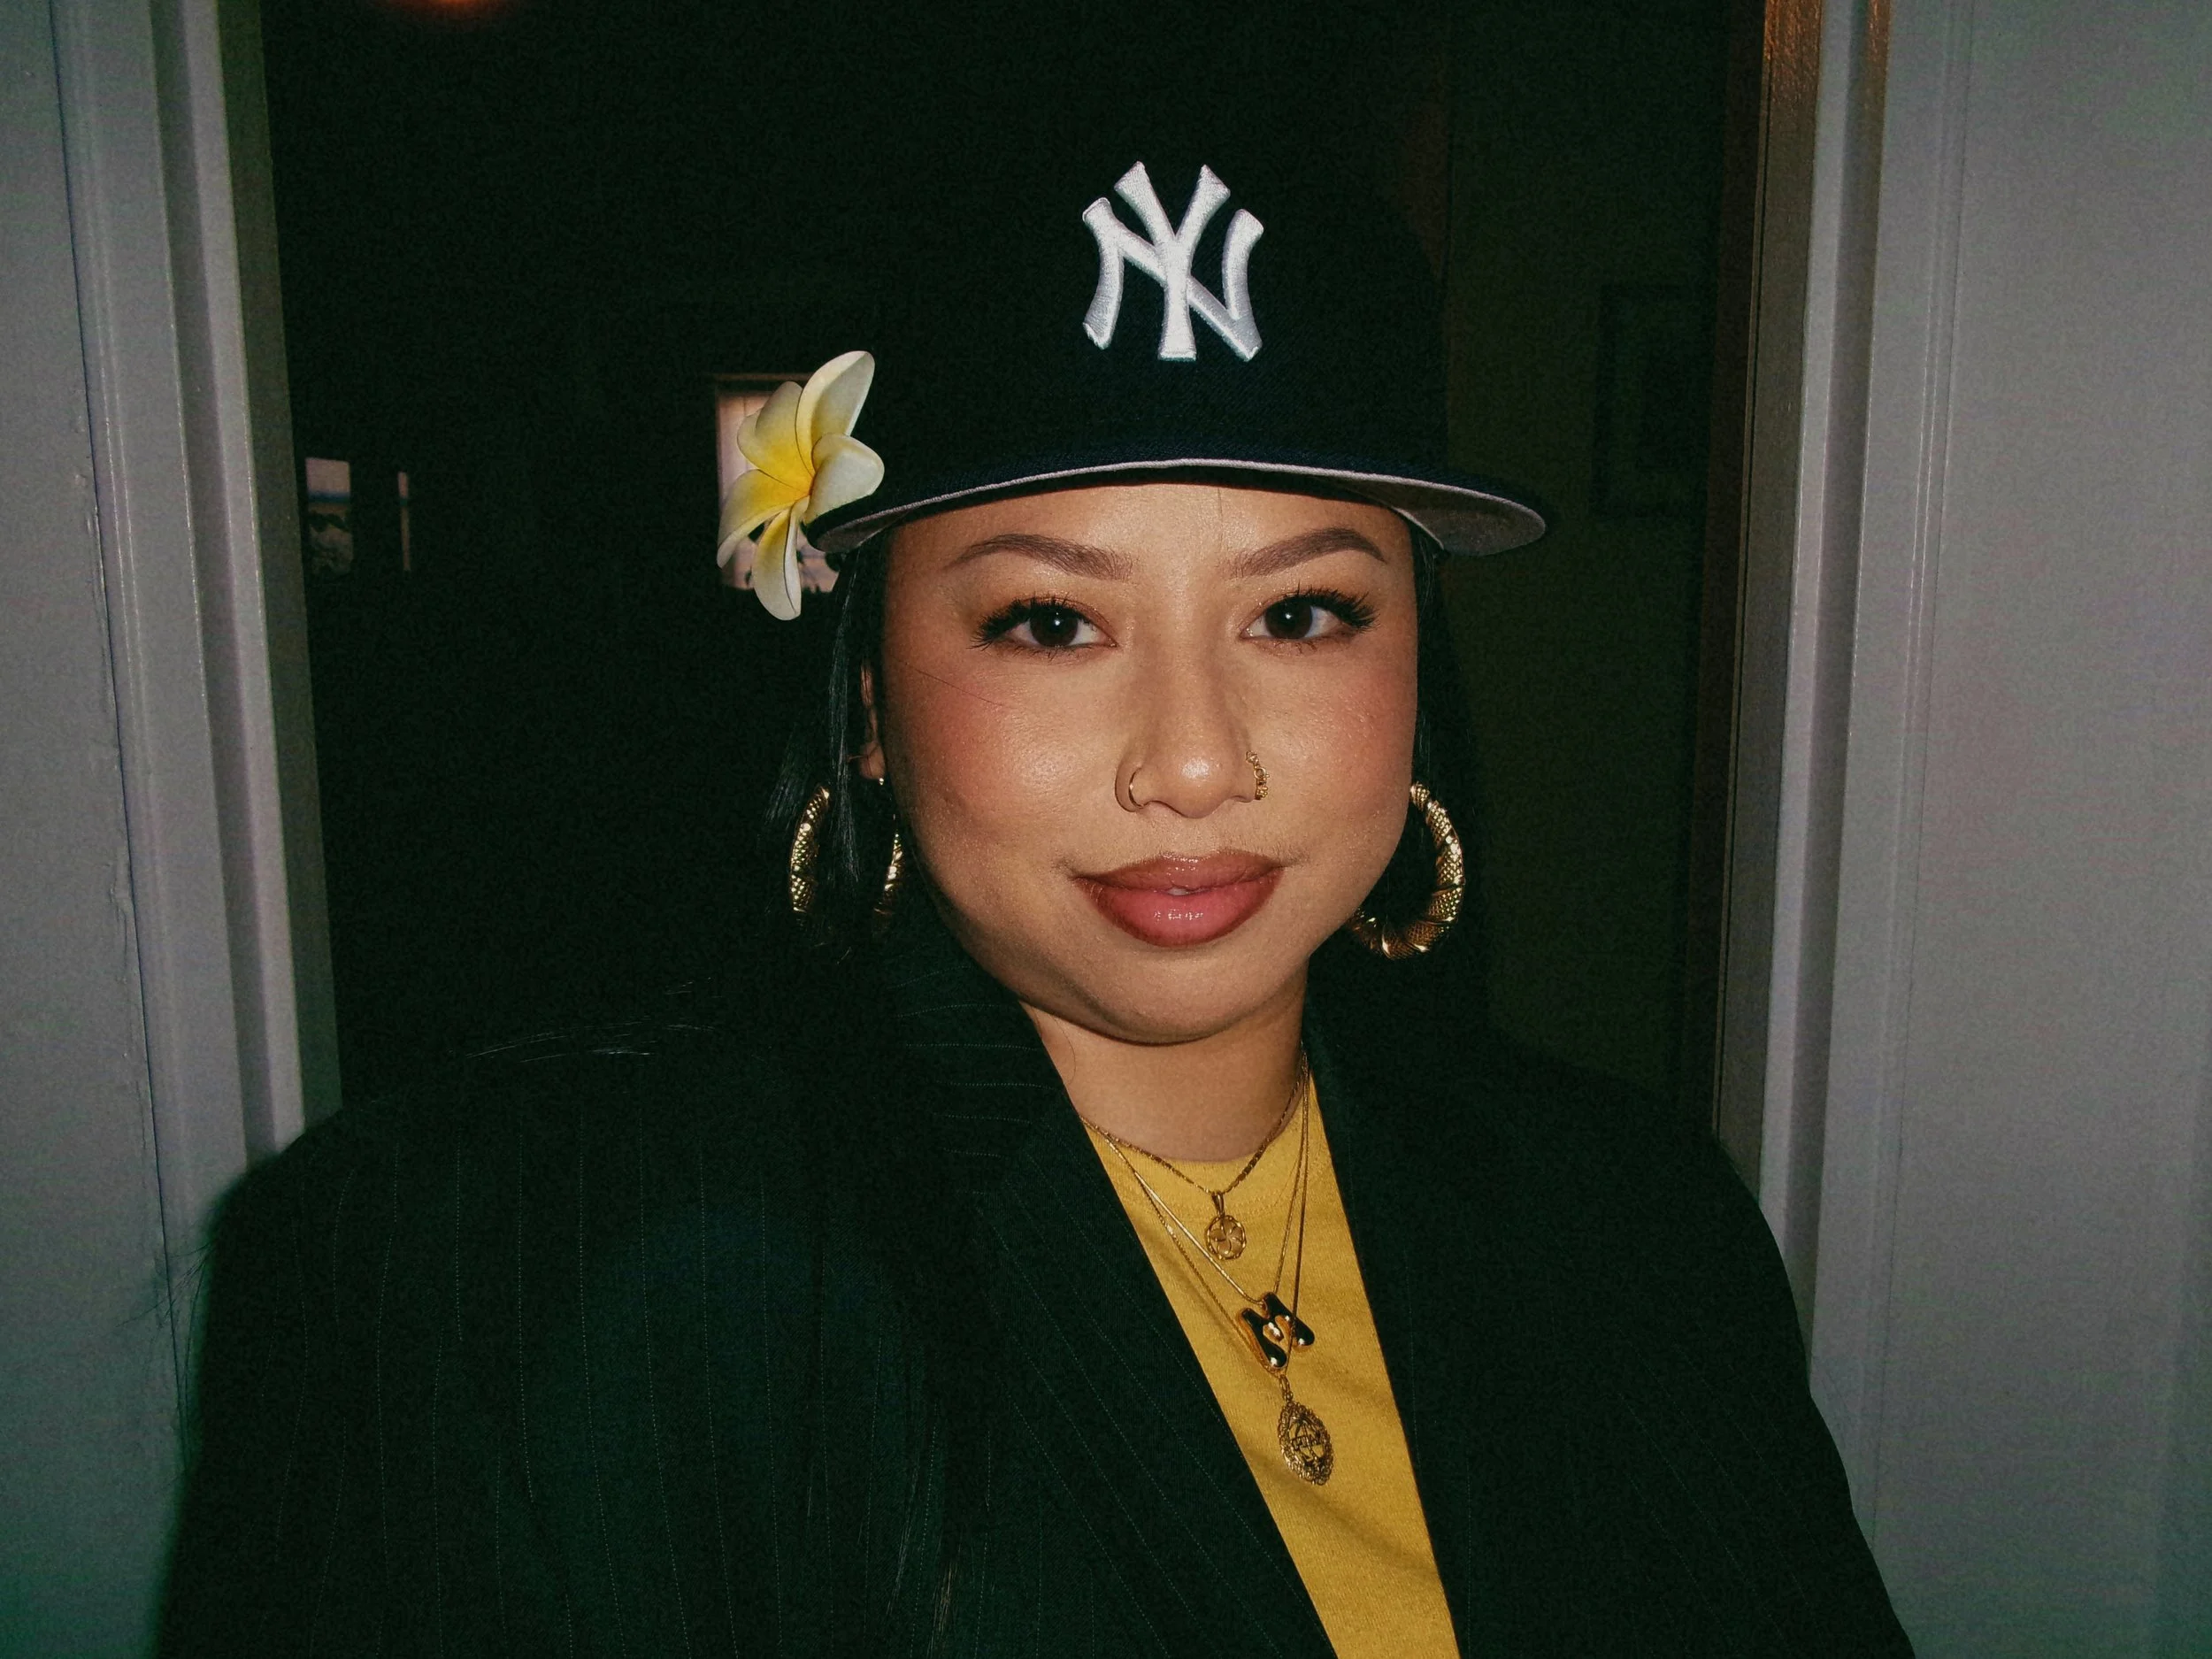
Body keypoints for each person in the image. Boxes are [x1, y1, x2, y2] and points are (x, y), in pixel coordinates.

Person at [161, 146, 1911, 1655]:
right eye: (1047, 620)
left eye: (1300, 612)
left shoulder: (1636, 1220)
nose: (1195, 761)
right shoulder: (505, 1280)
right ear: (865, 699)